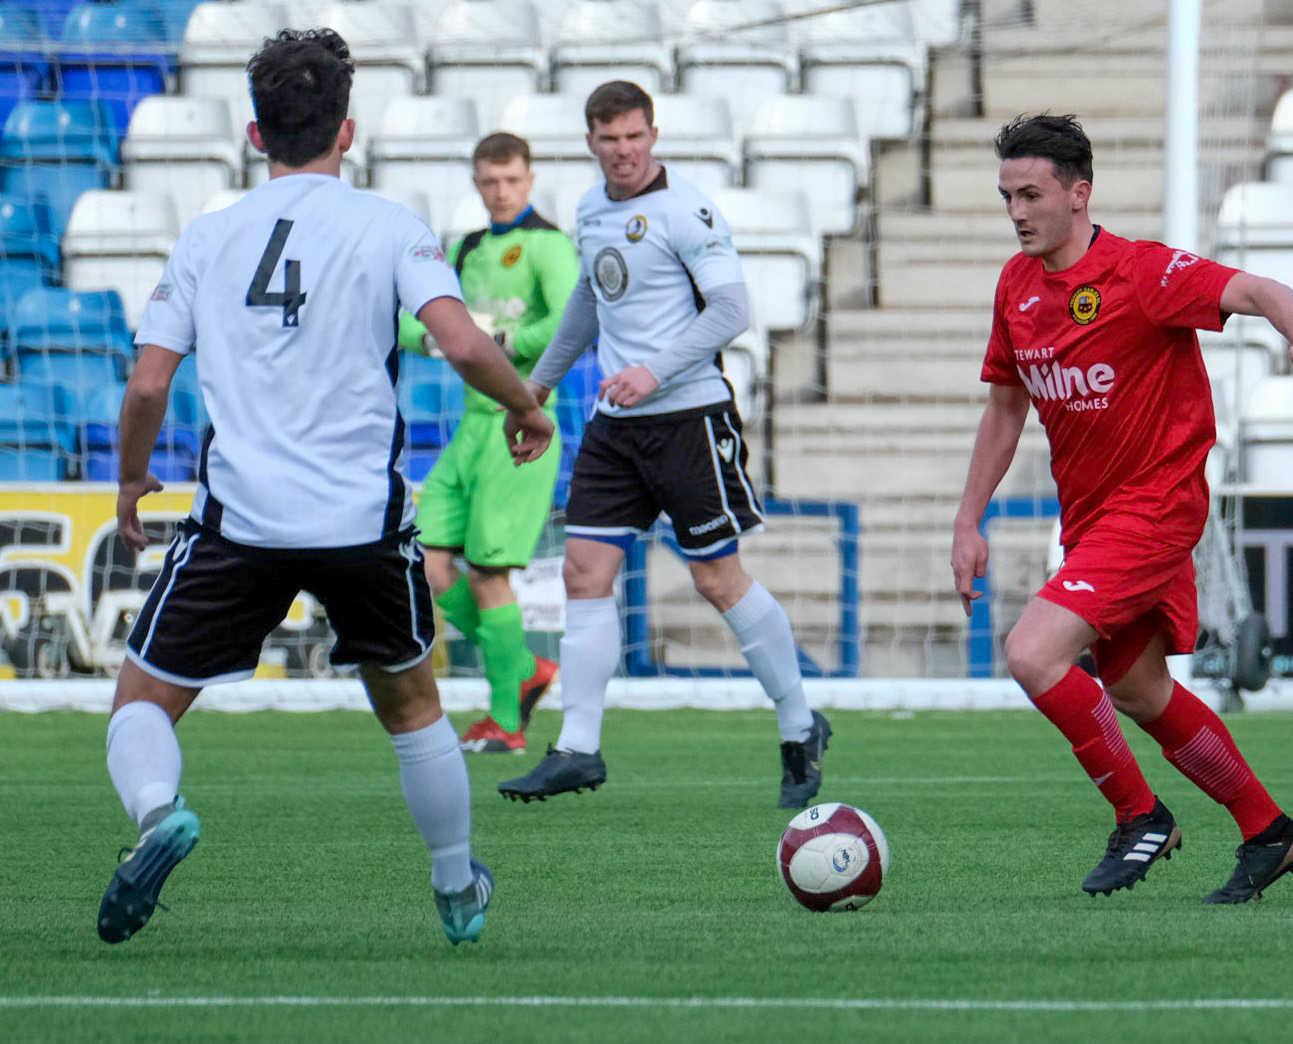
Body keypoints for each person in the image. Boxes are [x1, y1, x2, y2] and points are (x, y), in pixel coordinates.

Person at [96, 29, 554, 946]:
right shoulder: (389, 226)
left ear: (257, 134)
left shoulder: (209, 238)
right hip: (360, 521)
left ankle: (158, 817)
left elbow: (148, 384)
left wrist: (130, 480)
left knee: (143, 703)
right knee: (414, 707)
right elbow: (464, 343)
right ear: (347, 133)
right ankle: (458, 889)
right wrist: (528, 409)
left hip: (240, 522)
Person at [952, 114, 1293, 904]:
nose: (1017, 212)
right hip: (1092, 523)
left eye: (1031, 194)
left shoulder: (1142, 273)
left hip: (1155, 511)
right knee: (1134, 688)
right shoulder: (1015, 286)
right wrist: (967, 520)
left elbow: (1260, 289)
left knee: (1031, 653)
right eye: (1006, 196)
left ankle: (1140, 817)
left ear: (1078, 193)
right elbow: (1003, 408)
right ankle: (1268, 831)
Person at [496, 81, 830, 809]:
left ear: (653, 135)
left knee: (716, 581)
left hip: (688, 420)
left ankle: (799, 724)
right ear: (589, 140)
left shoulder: (686, 210)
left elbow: (733, 308)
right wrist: (538, 390)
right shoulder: (587, 210)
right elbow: (589, 300)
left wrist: (654, 370)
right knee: (583, 574)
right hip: (618, 428)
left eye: (633, 137)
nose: (622, 151)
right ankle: (577, 748)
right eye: (608, 139)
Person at [397, 132, 580, 754]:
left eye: (511, 181)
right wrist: (439, 339)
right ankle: (524, 669)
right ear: (477, 184)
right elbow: (411, 315)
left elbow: (571, 319)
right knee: (428, 563)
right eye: (489, 182)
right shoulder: (466, 249)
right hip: (470, 430)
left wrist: (499, 340)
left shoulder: (550, 246)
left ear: (530, 180)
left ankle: (506, 719)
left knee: (487, 574)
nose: (501, 193)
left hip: (523, 421)